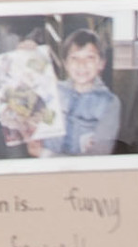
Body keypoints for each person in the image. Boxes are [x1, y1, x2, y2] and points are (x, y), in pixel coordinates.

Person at [36, 29, 122, 158]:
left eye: (90, 57)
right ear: (65, 64)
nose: (82, 64)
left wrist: (45, 154)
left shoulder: (110, 103)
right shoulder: (54, 91)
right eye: (74, 58)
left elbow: (99, 155)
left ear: (101, 64)